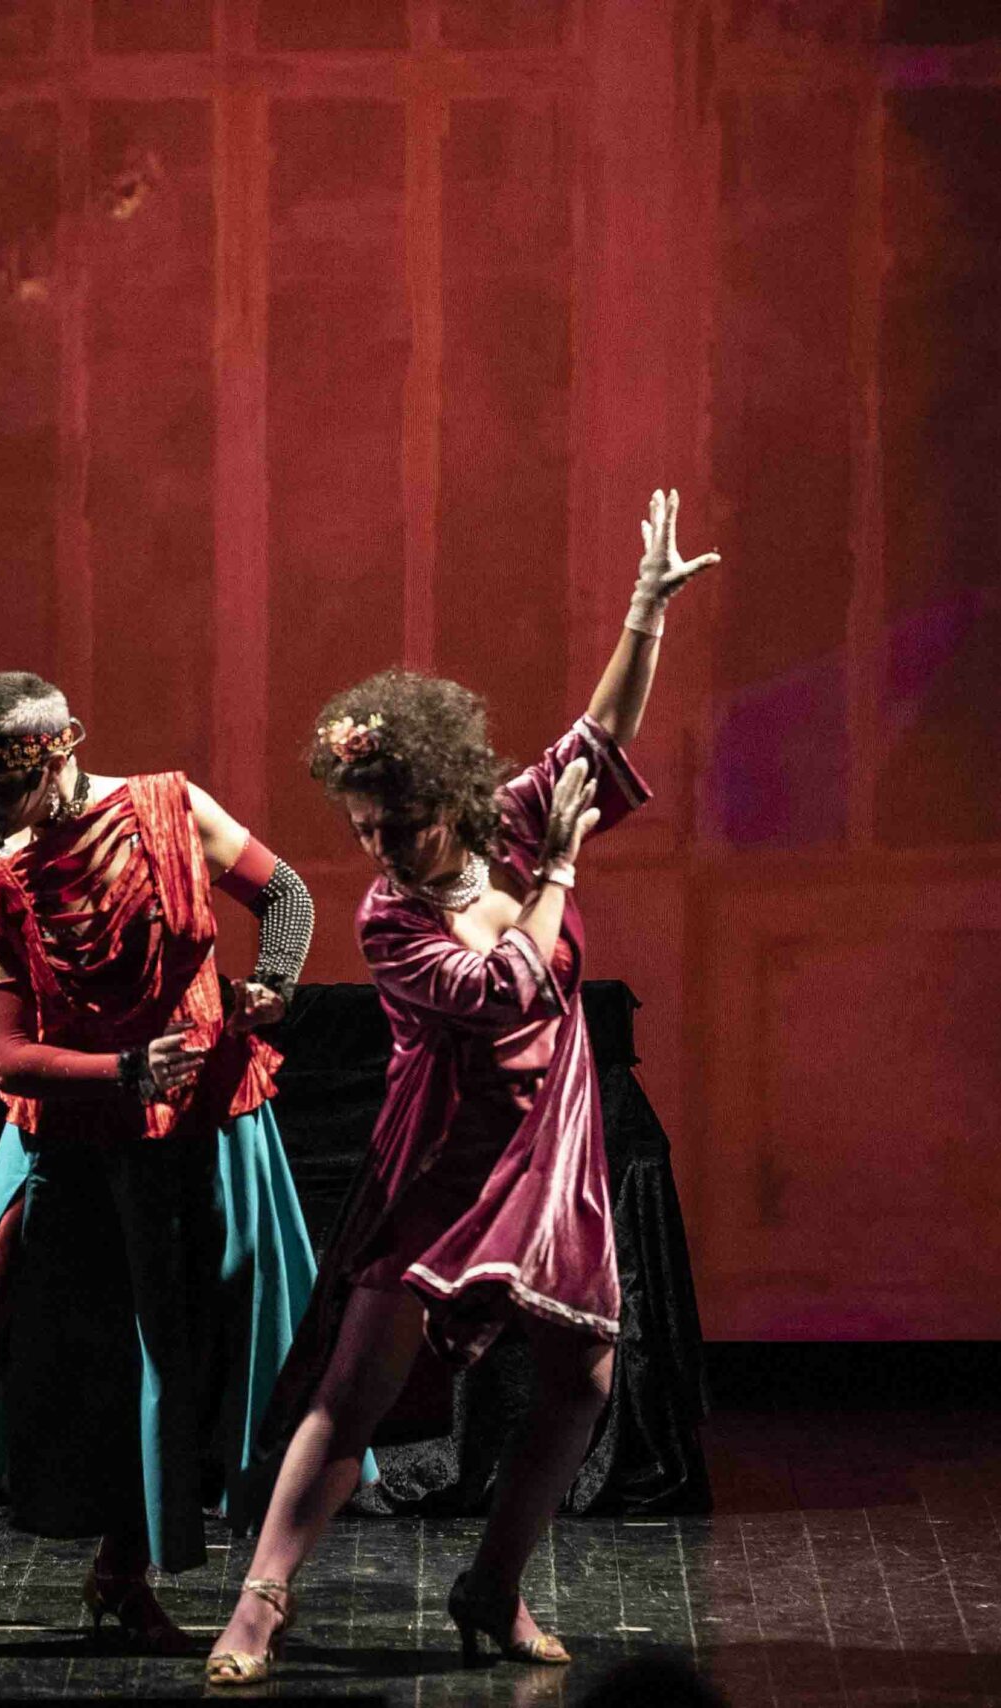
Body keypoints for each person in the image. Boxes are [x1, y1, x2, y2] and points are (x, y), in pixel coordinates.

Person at [206, 490, 719, 1684]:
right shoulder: (390, 918)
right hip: (443, 1156)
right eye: (362, 828)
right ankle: (258, 1606)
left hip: (550, 1145)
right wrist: (561, 877)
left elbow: (596, 736)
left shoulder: (511, 822)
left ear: (448, 797)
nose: (378, 848)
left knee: (583, 1379)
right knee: (358, 1383)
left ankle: (492, 1583)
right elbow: (504, 989)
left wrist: (642, 614)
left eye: (397, 824)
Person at [0, 671, 323, 1666]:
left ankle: (122, 1575)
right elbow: (3, 1060)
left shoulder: (170, 809)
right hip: (68, 1138)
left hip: (197, 1123)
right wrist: (125, 1069)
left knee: (174, 1347)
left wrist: (274, 987)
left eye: (3, 786)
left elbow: (284, 894)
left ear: (63, 743)